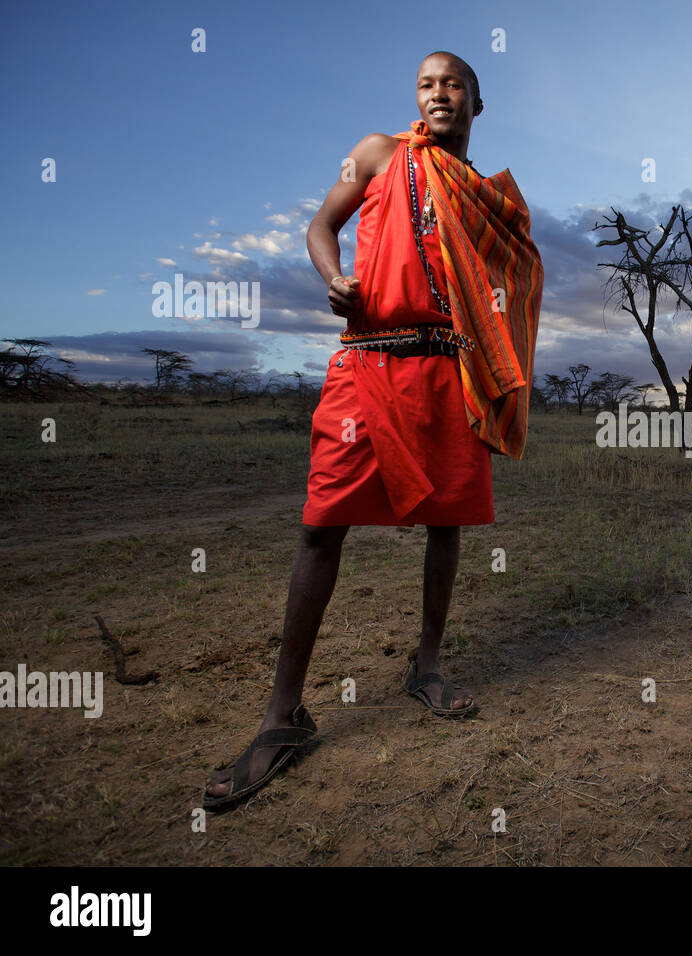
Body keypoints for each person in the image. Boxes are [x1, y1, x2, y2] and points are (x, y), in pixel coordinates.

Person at [204, 50, 544, 809]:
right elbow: (321, 227)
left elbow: (514, 281)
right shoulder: (375, 155)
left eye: (453, 84)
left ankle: (425, 666)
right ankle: (282, 717)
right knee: (323, 526)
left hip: (449, 375)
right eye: (426, 84)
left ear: (477, 103)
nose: (438, 94)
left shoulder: (484, 197)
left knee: (447, 524)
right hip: (367, 366)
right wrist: (333, 277)